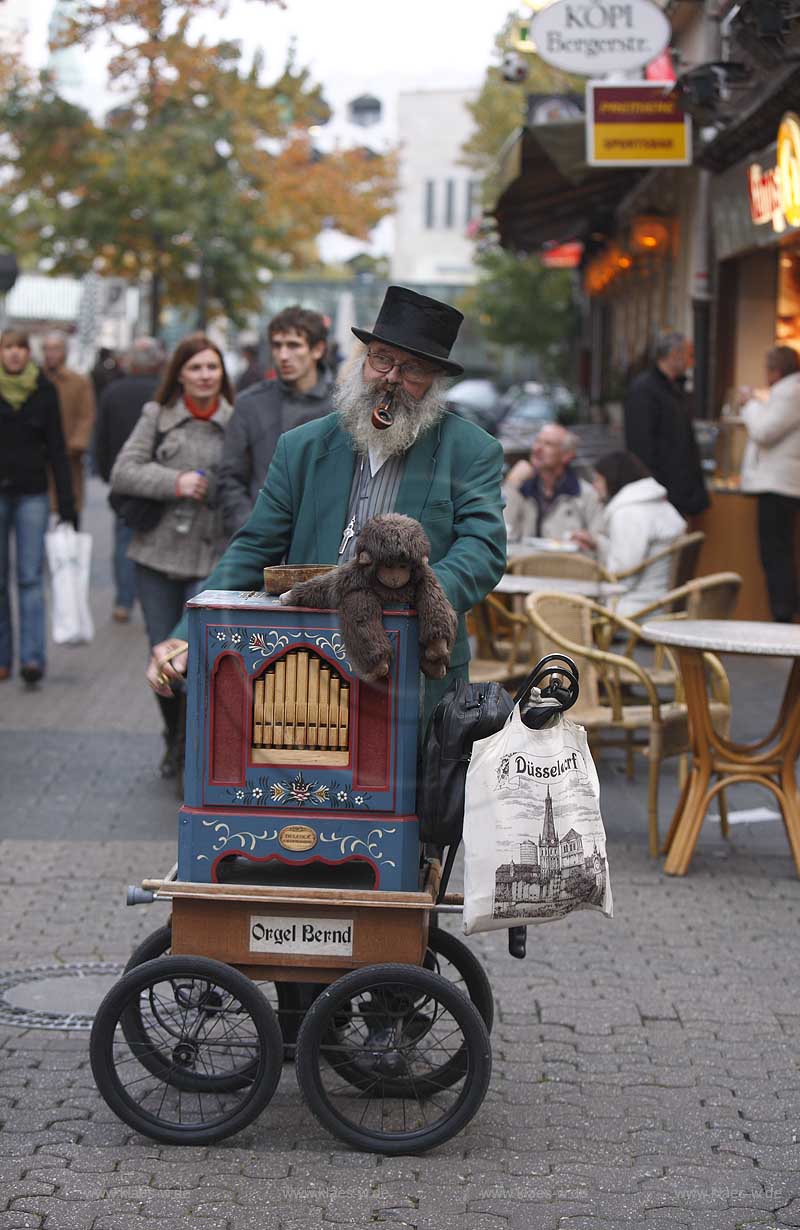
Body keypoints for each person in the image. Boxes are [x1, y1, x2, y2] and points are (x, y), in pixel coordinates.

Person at [145, 285, 507, 728]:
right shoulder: (301, 446)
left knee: (414, 796)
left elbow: (483, 551)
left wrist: (410, 596)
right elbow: (252, 549)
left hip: (416, 670)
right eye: (381, 359)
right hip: (305, 667)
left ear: (435, 379)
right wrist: (185, 635)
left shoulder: (471, 450)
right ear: (363, 360)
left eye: (412, 369)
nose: (391, 378)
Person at [110, 333, 235, 778]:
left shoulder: (237, 420)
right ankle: (172, 735)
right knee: (162, 656)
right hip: (157, 555)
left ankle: (189, 746)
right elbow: (123, 471)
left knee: (199, 656)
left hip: (212, 556)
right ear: (179, 374)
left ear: (223, 374)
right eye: (195, 368)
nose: (204, 376)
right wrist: (175, 482)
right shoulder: (158, 416)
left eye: (212, 367)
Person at [0, 328, 76, 685]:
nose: (14, 354)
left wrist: (67, 505)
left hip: (32, 494)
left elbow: (57, 450)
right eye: (7, 348)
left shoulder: (43, 390)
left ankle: (32, 659)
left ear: (28, 353)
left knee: (30, 578)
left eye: (19, 348)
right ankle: (3, 658)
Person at [219, 306, 334, 536]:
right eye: (277, 345)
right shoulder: (249, 404)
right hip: (262, 541)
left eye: (293, 345)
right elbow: (229, 478)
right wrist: (250, 530)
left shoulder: (342, 405)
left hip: (325, 540)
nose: (283, 356)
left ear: (318, 349)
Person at [94, 336, 166, 623]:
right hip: (160, 481)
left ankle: (124, 601)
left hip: (123, 482)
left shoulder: (113, 391)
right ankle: (152, 600)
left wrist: (106, 472)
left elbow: (101, 437)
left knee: (123, 542)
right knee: (155, 544)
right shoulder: (164, 394)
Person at [586, 450, 687, 616]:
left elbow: (623, 575)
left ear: (611, 478)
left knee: (563, 609)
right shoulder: (657, 505)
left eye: (597, 479)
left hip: (638, 607)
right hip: (662, 600)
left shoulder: (629, 513)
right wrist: (598, 543)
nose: (594, 486)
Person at [740, 345, 800, 623]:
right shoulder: (788, 392)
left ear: (775, 371)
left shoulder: (790, 392)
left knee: (776, 554)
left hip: (779, 486)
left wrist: (750, 404)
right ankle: (784, 611)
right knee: (780, 552)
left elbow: (764, 432)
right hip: (783, 484)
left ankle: (783, 615)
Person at [624, 331, 709, 519]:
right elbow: (641, 444)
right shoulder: (645, 390)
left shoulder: (675, 388)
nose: (691, 362)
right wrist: (654, 486)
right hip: (661, 489)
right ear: (674, 355)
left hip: (678, 488)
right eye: (689, 355)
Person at [503, 422, 605, 547]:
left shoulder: (585, 494)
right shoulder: (520, 488)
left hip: (568, 564)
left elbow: (602, 542)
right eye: (537, 441)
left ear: (567, 455)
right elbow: (503, 532)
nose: (537, 449)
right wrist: (511, 485)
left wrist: (591, 541)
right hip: (524, 564)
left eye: (548, 444)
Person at [41, 331, 96, 524]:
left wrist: (75, 444)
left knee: (68, 510)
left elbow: (86, 416)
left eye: (55, 348)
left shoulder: (79, 382)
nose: (50, 354)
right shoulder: (36, 380)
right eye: (46, 348)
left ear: (65, 351)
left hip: (68, 458)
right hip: (38, 460)